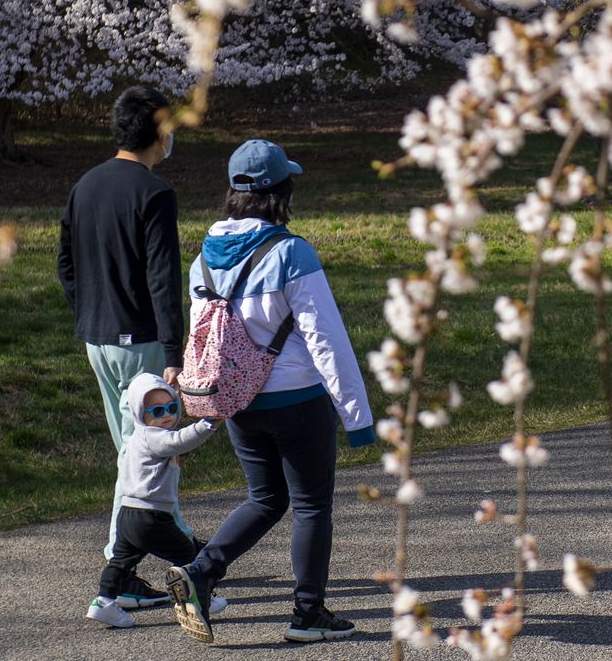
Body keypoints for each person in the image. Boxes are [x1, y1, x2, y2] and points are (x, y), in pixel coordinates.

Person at [165, 139, 375, 644]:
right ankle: (308, 614)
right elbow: (327, 340)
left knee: (265, 497)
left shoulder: (204, 257)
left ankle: (201, 570)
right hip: (298, 399)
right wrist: (357, 416)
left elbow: (202, 334)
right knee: (310, 504)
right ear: (281, 191)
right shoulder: (291, 253)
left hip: (237, 399)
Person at [58, 86, 192, 610]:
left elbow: (65, 264)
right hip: (143, 344)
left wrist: (89, 311)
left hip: (98, 339)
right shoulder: (154, 192)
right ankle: (121, 573)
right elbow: (163, 278)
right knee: (151, 460)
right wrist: (175, 352)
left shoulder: (85, 185)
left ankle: (177, 555)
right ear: (159, 130)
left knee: (134, 455)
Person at [84, 375, 231, 632]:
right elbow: (180, 441)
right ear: (140, 414)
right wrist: (209, 423)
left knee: (121, 561)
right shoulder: (153, 436)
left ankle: (104, 601)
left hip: (129, 515)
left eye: (172, 408)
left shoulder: (135, 440)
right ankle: (198, 599)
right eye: (157, 411)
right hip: (150, 516)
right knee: (189, 555)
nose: (167, 416)